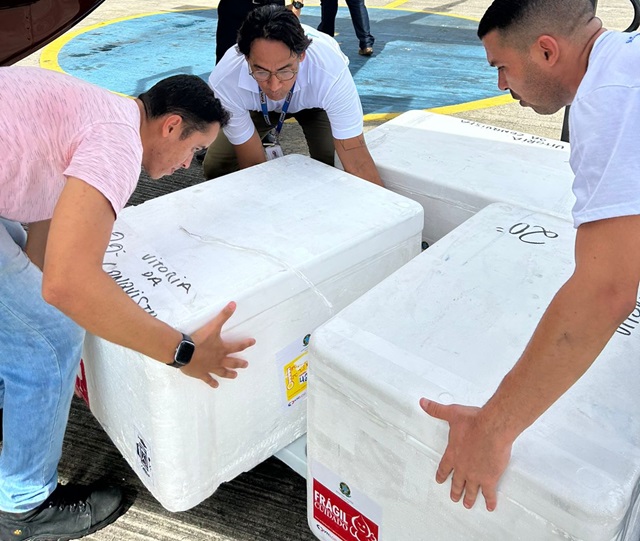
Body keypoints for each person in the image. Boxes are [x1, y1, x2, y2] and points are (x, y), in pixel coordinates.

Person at [0, 66, 256, 541]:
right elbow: (67, 286)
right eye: (195, 150)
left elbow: (42, 245)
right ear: (172, 125)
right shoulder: (116, 144)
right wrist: (184, 353)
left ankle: (12, 397)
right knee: (51, 339)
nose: (188, 166)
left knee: (24, 305)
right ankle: (23, 506)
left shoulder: (96, 109)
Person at [419, 0, 640, 513]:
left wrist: (492, 428)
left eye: (502, 66)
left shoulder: (610, 98)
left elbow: (605, 291)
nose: (500, 85)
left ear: (545, 51)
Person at [203, 5, 383, 187]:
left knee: (333, 162)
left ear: (302, 56)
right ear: (247, 58)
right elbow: (252, 164)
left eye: (285, 70)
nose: (274, 87)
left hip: (316, 106)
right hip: (258, 106)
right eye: (261, 71)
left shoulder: (330, 71)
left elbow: (356, 158)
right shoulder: (225, 79)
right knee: (216, 166)